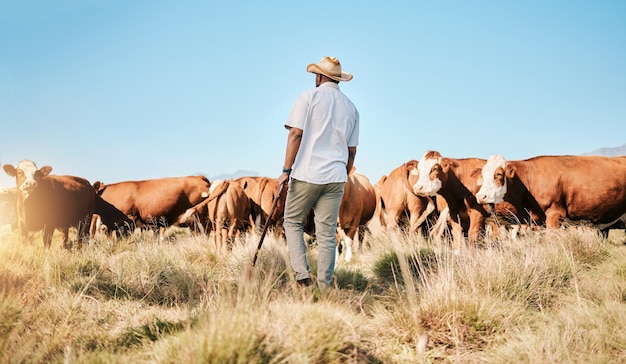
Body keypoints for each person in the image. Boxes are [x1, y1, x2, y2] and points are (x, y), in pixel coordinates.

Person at [277, 56, 359, 291]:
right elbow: (352, 151)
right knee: (326, 234)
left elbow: (295, 134)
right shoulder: (352, 109)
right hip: (336, 177)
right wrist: (343, 173)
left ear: (321, 76)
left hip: (307, 173)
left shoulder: (307, 98)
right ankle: (324, 286)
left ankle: (302, 277)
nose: (315, 78)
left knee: (292, 222)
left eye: (316, 74)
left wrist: (285, 171)